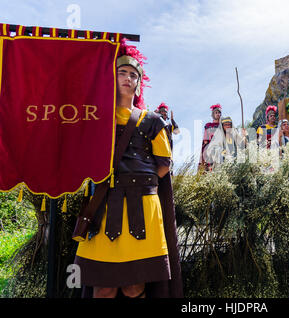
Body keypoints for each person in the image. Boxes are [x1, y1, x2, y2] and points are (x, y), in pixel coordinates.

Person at [72, 39, 183, 298]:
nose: (128, 78)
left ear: (138, 83)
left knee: (135, 286)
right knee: (104, 287)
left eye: (133, 74)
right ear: (112, 77)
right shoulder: (96, 116)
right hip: (104, 204)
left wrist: (136, 183)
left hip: (143, 206)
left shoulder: (153, 121)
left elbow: (164, 165)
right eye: (122, 72)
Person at [199, 104, 222, 171]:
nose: (218, 114)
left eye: (219, 113)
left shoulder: (222, 126)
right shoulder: (208, 125)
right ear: (213, 115)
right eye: (216, 112)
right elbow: (205, 140)